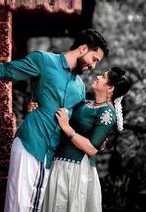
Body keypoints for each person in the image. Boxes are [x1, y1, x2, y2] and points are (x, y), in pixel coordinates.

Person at [0, 29, 109, 212]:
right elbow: (5, 70)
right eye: (94, 59)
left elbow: (80, 122)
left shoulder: (80, 88)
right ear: (83, 48)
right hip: (31, 143)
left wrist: (97, 138)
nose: (93, 66)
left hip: (52, 156)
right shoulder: (44, 61)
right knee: (19, 206)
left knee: (37, 207)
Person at [28, 67, 131, 212]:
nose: (98, 76)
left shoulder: (107, 112)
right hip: (58, 162)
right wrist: (39, 107)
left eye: (103, 76)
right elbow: (61, 112)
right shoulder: (85, 103)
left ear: (110, 88)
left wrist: (67, 128)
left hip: (75, 169)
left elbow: (91, 148)